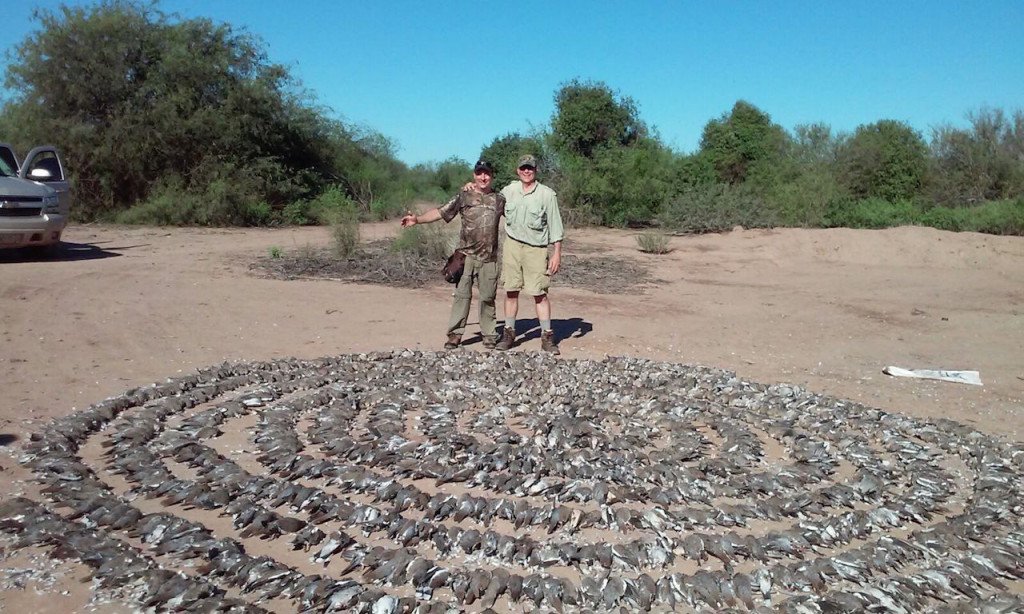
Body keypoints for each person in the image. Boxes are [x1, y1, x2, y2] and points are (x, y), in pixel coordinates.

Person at [401, 160, 505, 350]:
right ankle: (455, 334)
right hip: (466, 256)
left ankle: (489, 334)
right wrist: (417, 220)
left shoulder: (499, 199)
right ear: (474, 175)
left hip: (489, 258)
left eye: (487, 173)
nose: (483, 177)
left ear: (492, 176)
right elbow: (441, 212)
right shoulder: (464, 196)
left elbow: (516, 217)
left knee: (488, 297)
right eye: (480, 173)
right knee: (462, 296)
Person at [495, 154, 565, 354]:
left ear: (536, 171)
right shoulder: (508, 191)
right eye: (523, 168)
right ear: (517, 170)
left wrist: (556, 253)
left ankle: (547, 336)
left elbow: (555, 225)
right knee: (511, 290)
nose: (527, 171)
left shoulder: (546, 195)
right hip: (513, 247)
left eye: (530, 168)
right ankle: (508, 333)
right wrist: (470, 186)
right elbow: (488, 200)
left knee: (539, 294)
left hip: (536, 249)